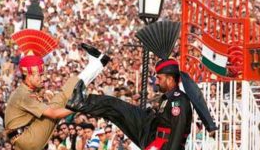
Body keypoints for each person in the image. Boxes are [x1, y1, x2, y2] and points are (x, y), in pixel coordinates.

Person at [67, 59, 216, 150]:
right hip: (151, 133)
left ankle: (82, 102)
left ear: (170, 79)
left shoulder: (179, 101)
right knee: (115, 107)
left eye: (159, 78)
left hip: (161, 144)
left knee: (117, 107)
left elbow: (176, 135)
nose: (156, 81)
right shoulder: (167, 97)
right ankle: (82, 102)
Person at [4, 31, 110, 150]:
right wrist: (77, 106)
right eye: (39, 75)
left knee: (61, 98)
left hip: (24, 138)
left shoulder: (23, 90)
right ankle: (97, 64)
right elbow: (54, 114)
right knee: (61, 98)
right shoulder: (23, 95)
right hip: (27, 139)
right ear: (29, 75)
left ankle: (97, 64)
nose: (43, 78)